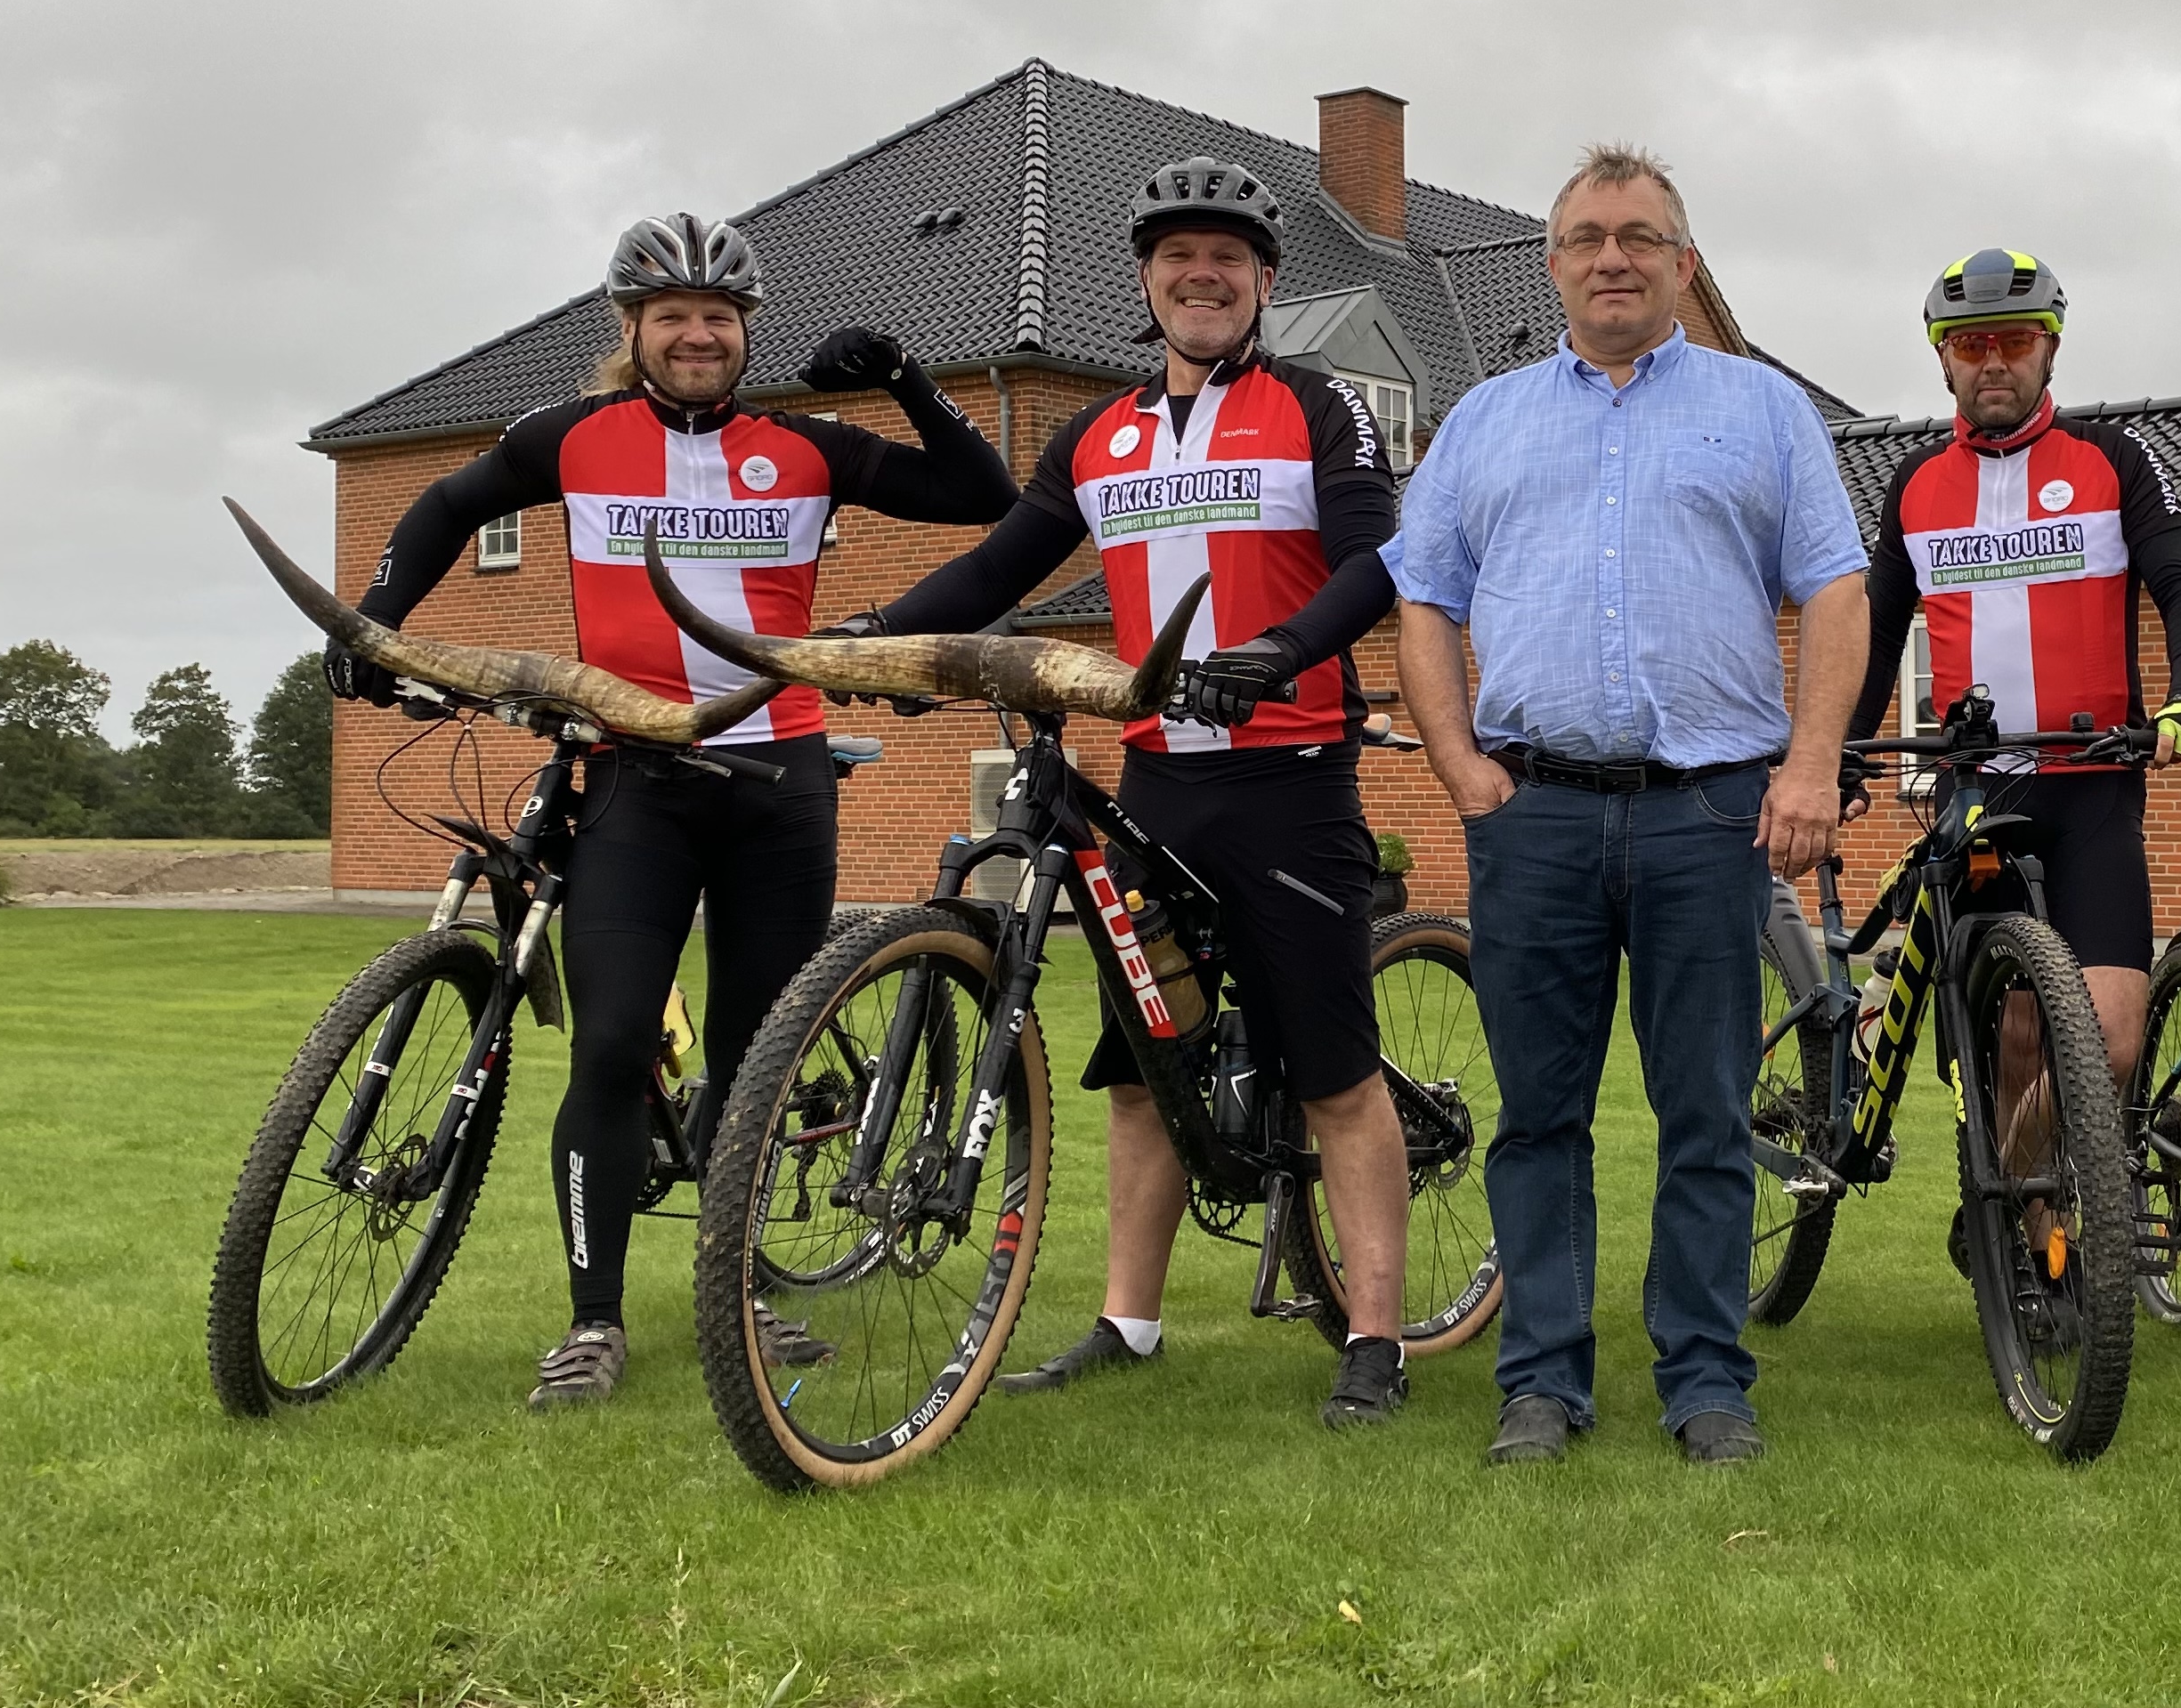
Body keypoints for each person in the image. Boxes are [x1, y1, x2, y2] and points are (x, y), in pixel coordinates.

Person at [337, 213, 1016, 1408]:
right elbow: (444, 505)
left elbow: (980, 493)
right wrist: (374, 626)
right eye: (672, 317)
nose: (697, 335)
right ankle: (594, 1323)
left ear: (744, 331)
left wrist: (905, 378)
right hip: (636, 780)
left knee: (753, 1063)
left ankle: (740, 1290)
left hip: (779, 785)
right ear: (635, 331)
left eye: (718, 317)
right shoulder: (576, 439)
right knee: (608, 1046)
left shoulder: (806, 448)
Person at [865, 157, 1419, 1429]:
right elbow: (1000, 565)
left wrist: (1277, 653)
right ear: (1147, 279)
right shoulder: (1099, 436)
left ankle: (1376, 1339)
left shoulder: (1321, 406)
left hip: (1288, 778)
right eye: (1178, 254)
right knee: (1140, 1064)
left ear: (1265, 280)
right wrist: (883, 640)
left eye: (1228, 255)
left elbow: (1372, 562)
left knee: (1334, 1070)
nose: (1202, 272)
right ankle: (1130, 1319)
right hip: (1159, 783)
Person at [1390, 144, 1869, 1468]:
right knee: (1538, 1117)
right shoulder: (1484, 419)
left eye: (1641, 236)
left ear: (1683, 262)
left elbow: (1836, 591)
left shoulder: (1764, 410)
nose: (1614, 256)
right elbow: (1421, 598)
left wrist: (1812, 763)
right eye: (1589, 236)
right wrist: (1458, 767)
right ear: (1553, 264)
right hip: (1532, 814)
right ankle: (1540, 1381)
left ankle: (1707, 1379)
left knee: (1705, 1112)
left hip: (1707, 815)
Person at [1845, 248, 2181, 1271]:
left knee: (2104, 1041)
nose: (1993, 362)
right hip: (1980, 789)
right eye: (1970, 345)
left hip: (2093, 781)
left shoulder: (2113, 461)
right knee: (2015, 1035)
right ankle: (2032, 1238)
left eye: (2013, 341)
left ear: (2049, 347)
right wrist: (1844, 749)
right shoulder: (1916, 485)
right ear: (1944, 362)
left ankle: (2010, 1193)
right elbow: (1880, 640)